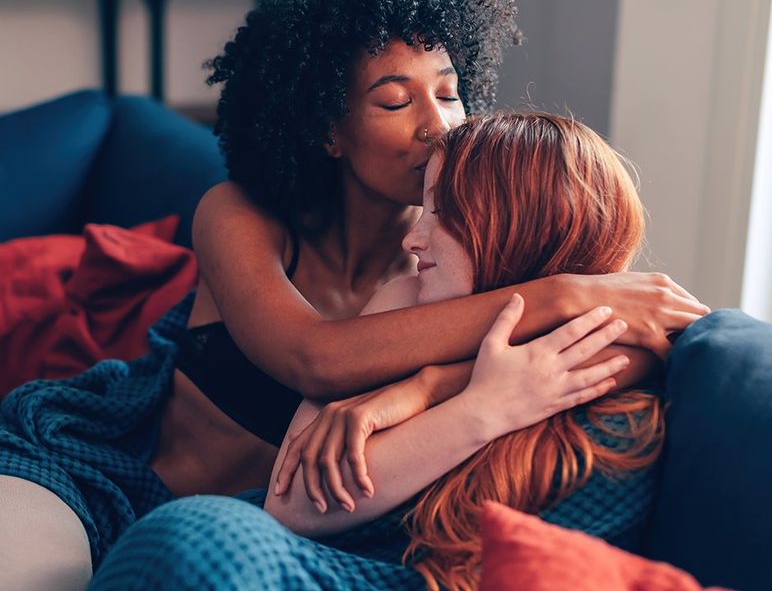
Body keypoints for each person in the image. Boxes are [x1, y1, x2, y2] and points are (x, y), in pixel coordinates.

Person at [0, 0, 705, 591]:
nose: (439, 123)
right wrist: (549, 297)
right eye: (395, 99)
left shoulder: (449, 266)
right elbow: (312, 356)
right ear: (325, 128)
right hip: (96, 475)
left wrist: (428, 383)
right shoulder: (241, 216)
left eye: (450, 89)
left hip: (247, 544)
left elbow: (611, 355)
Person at [265, 112, 665, 591]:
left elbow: (682, 336)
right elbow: (288, 505)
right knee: (198, 530)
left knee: (199, 536)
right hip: (287, 549)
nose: (412, 238)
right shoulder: (406, 298)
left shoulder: (611, 420)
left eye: (441, 212)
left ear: (525, 222)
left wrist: (476, 406)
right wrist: (452, 392)